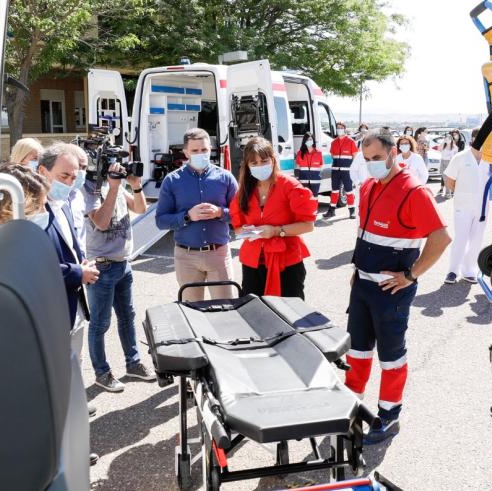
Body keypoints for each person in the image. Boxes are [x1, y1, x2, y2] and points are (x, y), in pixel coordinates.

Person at [346, 131, 451, 445]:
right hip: (362, 286)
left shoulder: (413, 191)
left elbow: (441, 238)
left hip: (391, 291)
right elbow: (364, 234)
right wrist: (356, 270)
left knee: (391, 357)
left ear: (393, 153)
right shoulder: (368, 187)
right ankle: (350, 407)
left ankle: (389, 417)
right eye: (366, 160)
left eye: (376, 158)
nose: (371, 165)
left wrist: (411, 275)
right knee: (357, 351)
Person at [83, 151, 155, 391]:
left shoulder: (113, 185)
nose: (119, 167)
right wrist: (113, 187)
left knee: (128, 317)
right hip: (102, 266)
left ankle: (133, 364)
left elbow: (140, 208)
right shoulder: (90, 189)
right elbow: (101, 222)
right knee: (100, 323)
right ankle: (101, 373)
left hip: (123, 264)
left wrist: (135, 186)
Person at [156, 128, 238, 302]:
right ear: (186, 152)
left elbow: (242, 214)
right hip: (186, 257)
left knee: (225, 310)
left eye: (204, 150)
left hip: (219, 254)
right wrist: (187, 216)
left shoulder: (225, 178)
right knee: (192, 313)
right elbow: (161, 220)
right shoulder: (172, 180)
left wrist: (219, 212)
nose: (201, 154)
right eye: (195, 151)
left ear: (211, 149)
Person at [230, 137, 318, 298]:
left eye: (264, 161)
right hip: (253, 263)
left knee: (289, 313)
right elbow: (237, 227)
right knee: (253, 313)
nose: (259, 166)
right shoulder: (244, 191)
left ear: (273, 160)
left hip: (287, 262)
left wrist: (276, 231)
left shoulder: (290, 185)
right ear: (247, 166)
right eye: (254, 163)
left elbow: (308, 225)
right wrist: (246, 231)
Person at [35, 143, 100, 329]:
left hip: (74, 311)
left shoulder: (63, 205)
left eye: (73, 177)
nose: (69, 184)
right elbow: (34, 267)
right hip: (49, 316)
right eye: (64, 176)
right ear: (42, 170)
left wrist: (82, 262)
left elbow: (71, 246)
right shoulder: (32, 212)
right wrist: (79, 272)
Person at [443, 128, 491, 284]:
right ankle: (452, 271)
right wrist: (462, 192)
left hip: (482, 206)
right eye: (480, 137)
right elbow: (449, 179)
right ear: (474, 139)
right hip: (462, 206)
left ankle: (469, 270)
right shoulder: (461, 157)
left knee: (476, 239)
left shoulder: (490, 159)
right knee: (461, 238)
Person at [324, 122, 359, 219]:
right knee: (334, 191)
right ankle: (331, 210)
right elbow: (332, 155)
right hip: (335, 170)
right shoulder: (333, 142)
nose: (339, 129)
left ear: (344, 129)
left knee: (349, 191)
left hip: (346, 171)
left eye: (341, 128)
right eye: (338, 128)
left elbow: (355, 156)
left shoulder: (351, 141)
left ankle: (352, 211)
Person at [295, 132, 324, 197]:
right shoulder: (300, 153)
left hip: (315, 181)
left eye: (310, 139)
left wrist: (318, 176)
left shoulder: (319, 153)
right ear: (304, 141)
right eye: (307, 140)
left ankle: (315, 208)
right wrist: (298, 179)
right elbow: (297, 166)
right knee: (305, 198)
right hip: (303, 180)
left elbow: (321, 166)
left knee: (314, 198)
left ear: (313, 141)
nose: (309, 141)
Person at [438, 130, 465, 196]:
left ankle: (448, 193)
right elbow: (439, 149)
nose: (448, 139)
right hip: (443, 162)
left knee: (448, 178)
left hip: (449, 162)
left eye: (449, 138)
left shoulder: (454, 147)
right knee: (444, 178)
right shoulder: (443, 146)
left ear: (451, 139)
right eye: (447, 138)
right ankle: (448, 192)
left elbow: (456, 155)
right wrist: (444, 141)